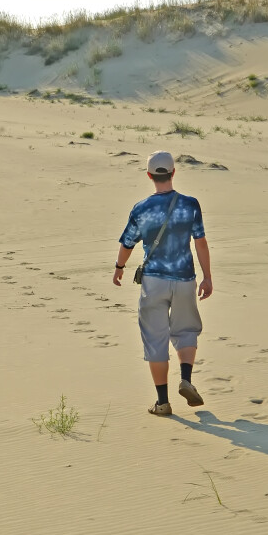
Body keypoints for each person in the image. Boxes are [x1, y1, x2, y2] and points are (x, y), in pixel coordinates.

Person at [113, 151, 213, 416]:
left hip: (154, 281)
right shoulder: (190, 204)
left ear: (149, 176)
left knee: (155, 340)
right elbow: (200, 241)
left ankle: (162, 402)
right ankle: (187, 379)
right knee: (187, 330)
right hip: (184, 279)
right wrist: (208, 276)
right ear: (173, 173)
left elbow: (127, 243)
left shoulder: (141, 208)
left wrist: (119, 268)